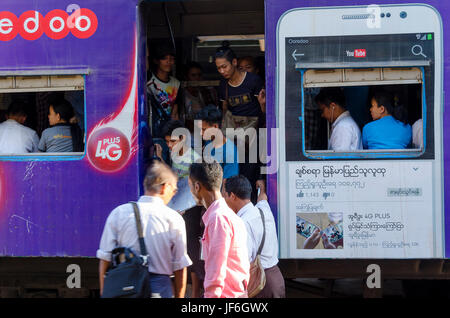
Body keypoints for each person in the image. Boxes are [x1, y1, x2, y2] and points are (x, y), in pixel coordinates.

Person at [97, 161, 192, 298]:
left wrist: (104, 291)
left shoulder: (118, 213)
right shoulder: (174, 219)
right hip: (159, 289)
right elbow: (180, 266)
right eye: (174, 190)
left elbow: (105, 258)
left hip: (126, 288)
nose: (173, 194)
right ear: (165, 187)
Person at [155, 120, 205, 297]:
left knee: (190, 249)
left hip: (189, 210)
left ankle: (195, 291)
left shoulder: (194, 159)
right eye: (167, 141)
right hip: (178, 207)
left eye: (172, 141)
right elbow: (174, 177)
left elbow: (197, 187)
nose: (169, 145)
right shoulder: (174, 154)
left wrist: (185, 206)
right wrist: (161, 158)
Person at [188, 161, 250, 298]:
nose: (191, 192)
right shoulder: (226, 214)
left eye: (190, 187)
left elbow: (216, 274)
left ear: (197, 187)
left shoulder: (217, 219)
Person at [223, 175, 285, 298]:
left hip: (261, 284)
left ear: (233, 196)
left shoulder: (242, 224)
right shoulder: (263, 209)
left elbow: (243, 262)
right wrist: (261, 187)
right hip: (276, 278)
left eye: (225, 195)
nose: (223, 201)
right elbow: (262, 198)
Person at [215, 45, 265, 130]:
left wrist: (263, 104)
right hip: (234, 131)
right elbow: (224, 109)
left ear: (234, 62)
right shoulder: (223, 84)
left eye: (224, 66)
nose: (222, 71)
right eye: (219, 68)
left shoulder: (253, 80)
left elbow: (263, 109)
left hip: (254, 130)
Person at [196, 105, 239, 180]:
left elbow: (227, 185)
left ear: (215, 126)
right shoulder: (208, 142)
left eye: (203, 129)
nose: (201, 133)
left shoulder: (230, 152)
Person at [315, 87, 362, 152]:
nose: (322, 115)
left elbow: (340, 159)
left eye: (322, 110)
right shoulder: (346, 123)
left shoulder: (343, 127)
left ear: (332, 106)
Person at [182, 62, 218, 131]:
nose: (197, 78)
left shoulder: (207, 92)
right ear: (186, 77)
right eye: (193, 75)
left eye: (199, 75)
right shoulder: (183, 95)